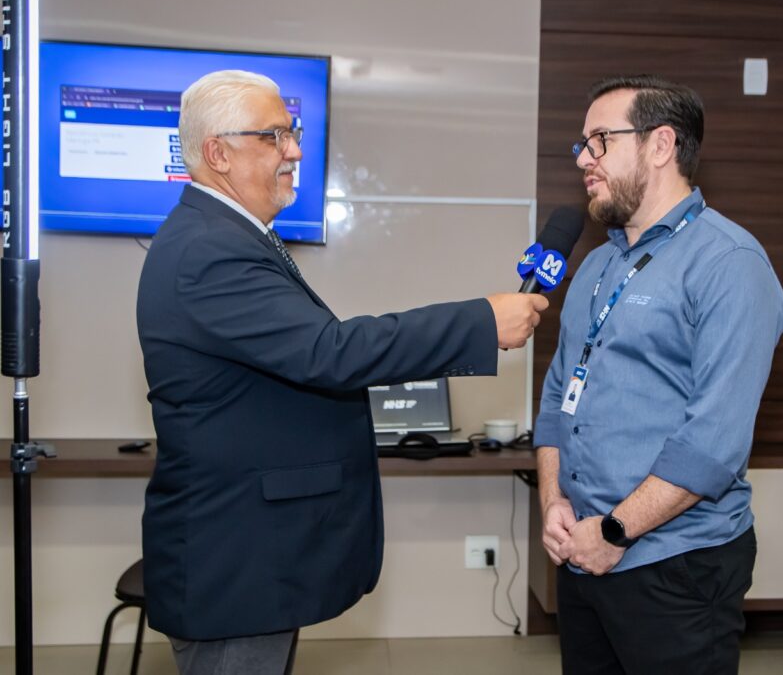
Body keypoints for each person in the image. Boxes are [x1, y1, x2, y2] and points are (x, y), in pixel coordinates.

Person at [136, 69, 548, 674]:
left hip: (250, 550)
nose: (295, 151)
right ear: (217, 153)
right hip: (237, 558)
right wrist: (481, 322)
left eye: (292, 133)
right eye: (274, 136)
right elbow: (327, 352)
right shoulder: (209, 248)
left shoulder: (226, 236)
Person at [533, 75, 783, 675]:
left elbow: (712, 444)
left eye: (600, 140)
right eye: (582, 144)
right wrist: (553, 501)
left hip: (675, 564)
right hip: (583, 551)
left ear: (661, 144)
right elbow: (557, 399)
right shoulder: (596, 264)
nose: (584, 159)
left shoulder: (730, 264)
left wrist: (615, 532)